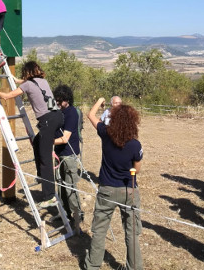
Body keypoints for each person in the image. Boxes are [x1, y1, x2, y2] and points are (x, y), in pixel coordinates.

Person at [0, 61, 63, 206]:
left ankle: (49, 196)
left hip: (47, 121)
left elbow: (8, 96)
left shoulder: (27, 85)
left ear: (26, 72)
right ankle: (41, 176)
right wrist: (17, 81)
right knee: (38, 142)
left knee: (46, 160)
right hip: (57, 116)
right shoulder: (42, 81)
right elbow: (30, 83)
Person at [84, 98, 143, 270]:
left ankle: (93, 266)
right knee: (132, 233)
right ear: (133, 122)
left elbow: (90, 115)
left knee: (99, 230)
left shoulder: (106, 133)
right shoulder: (135, 145)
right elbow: (136, 169)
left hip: (107, 189)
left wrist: (100, 100)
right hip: (129, 190)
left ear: (114, 119)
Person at [52, 84, 82, 227]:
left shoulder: (71, 113)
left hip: (69, 155)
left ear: (67, 99)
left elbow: (65, 139)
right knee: (60, 185)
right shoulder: (58, 110)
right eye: (56, 100)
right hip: (59, 154)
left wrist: (47, 142)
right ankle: (63, 212)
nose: (58, 103)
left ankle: (77, 214)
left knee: (70, 186)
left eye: (60, 101)